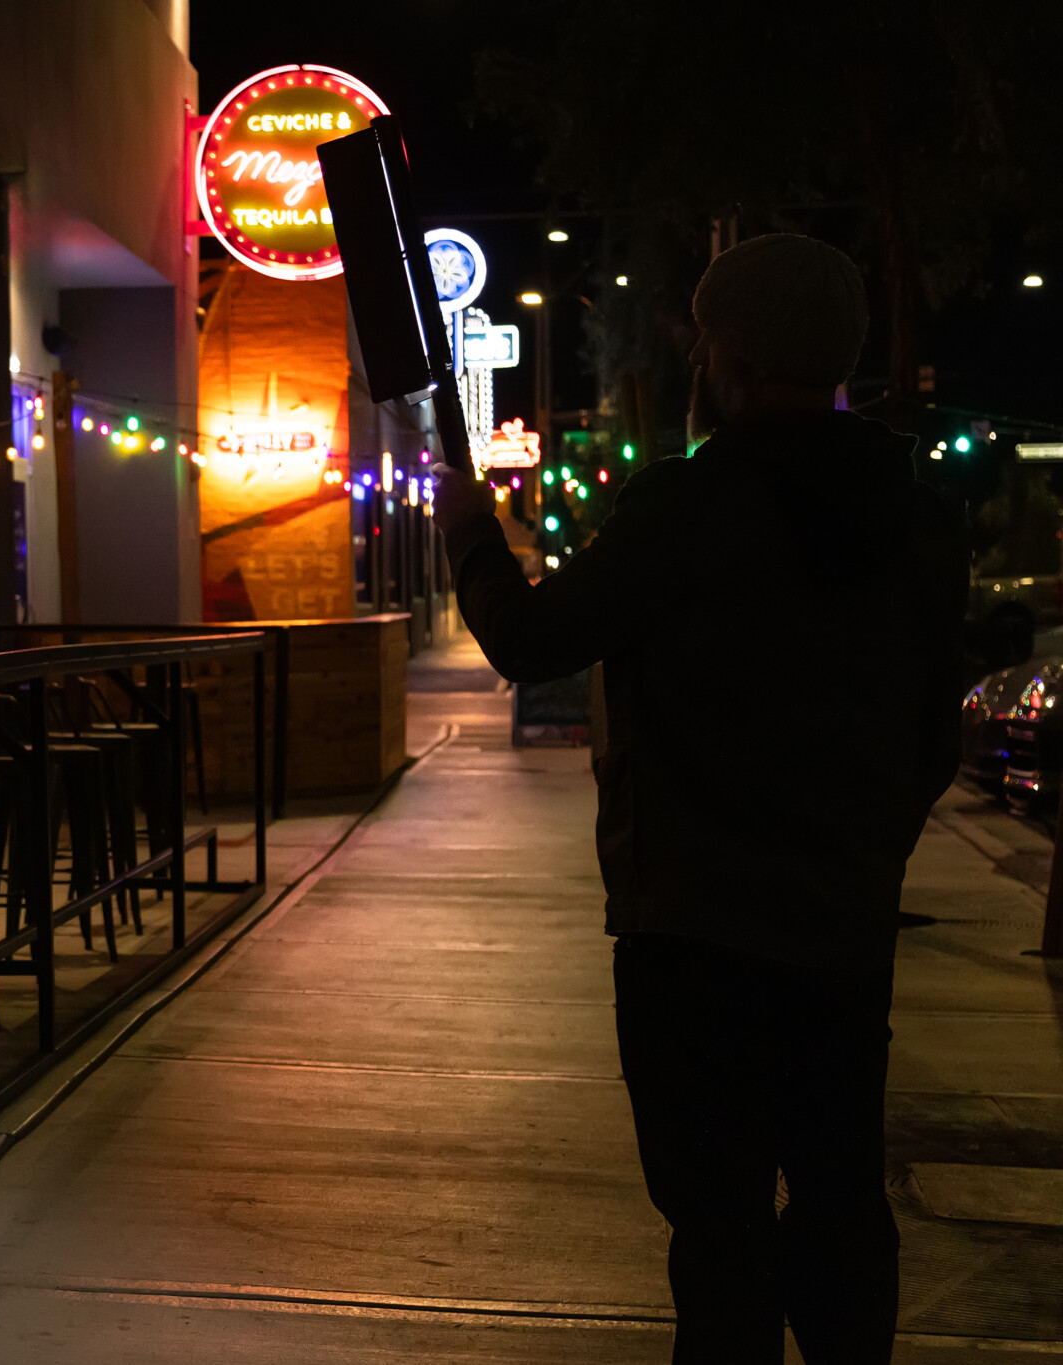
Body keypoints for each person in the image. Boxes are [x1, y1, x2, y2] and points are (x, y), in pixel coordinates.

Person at [431, 234, 964, 1364]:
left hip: (691, 927)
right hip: (837, 925)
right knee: (837, 1203)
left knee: (715, 1225)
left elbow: (531, 642)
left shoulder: (686, 504)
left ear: (722, 352)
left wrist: (470, 537)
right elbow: (933, 728)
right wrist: (871, 849)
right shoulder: (914, 515)